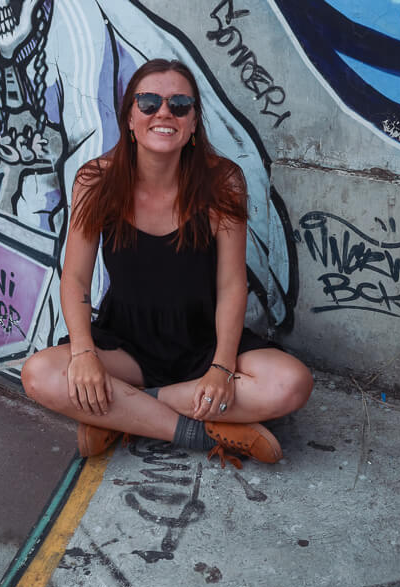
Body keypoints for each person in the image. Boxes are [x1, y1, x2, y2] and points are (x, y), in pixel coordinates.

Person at [22, 59, 312, 467]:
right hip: (126, 345)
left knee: (291, 384)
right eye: (149, 102)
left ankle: (122, 415)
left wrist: (222, 367)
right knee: (39, 374)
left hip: (203, 342)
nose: (164, 112)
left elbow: (232, 285)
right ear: (129, 118)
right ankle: (199, 431)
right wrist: (85, 352)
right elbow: (75, 279)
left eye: (179, 104)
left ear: (193, 123)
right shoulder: (96, 181)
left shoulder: (221, 182)